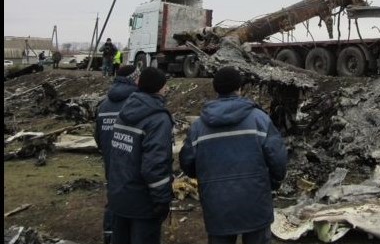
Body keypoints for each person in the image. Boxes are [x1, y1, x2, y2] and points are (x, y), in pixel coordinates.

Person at [180, 66, 287, 244]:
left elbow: (187, 163)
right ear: (239, 88)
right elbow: (278, 159)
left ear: (216, 89)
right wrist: (273, 183)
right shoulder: (259, 119)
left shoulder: (199, 126)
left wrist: (206, 180)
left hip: (217, 205)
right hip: (255, 203)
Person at [107, 67, 174, 244]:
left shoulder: (124, 111)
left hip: (119, 194)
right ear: (158, 87)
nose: (166, 89)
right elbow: (155, 164)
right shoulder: (158, 119)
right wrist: (162, 199)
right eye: (164, 85)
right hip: (143, 201)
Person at [94, 65, 140, 244]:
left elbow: (97, 136)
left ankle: (109, 236)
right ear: (134, 78)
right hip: (131, 164)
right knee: (133, 207)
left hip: (110, 163)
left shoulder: (104, 104)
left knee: (113, 200)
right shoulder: (135, 102)